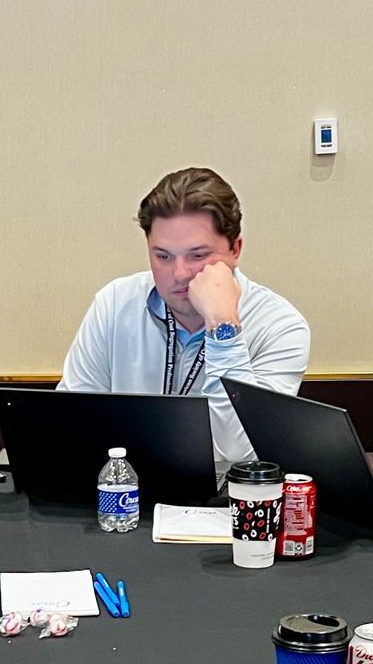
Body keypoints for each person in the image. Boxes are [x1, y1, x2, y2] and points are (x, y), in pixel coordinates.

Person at [59, 167, 310, 467]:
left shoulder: (281, 327)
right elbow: (69, 425)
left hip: (225, 494)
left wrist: (222, 327)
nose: (180, 274)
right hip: (125, 486)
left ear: (235, 249)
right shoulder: (114, 304)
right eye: (163, 256)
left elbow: (239, 453)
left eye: (197, 255)